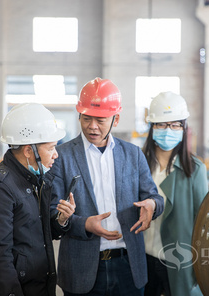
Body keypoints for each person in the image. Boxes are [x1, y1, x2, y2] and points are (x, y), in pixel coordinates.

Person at [49, 77, 164, 296]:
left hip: (128, 266)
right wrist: (84, 224)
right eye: (86, 118)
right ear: (79, 115)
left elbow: (154, 198)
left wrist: (151, 204)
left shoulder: (133, 154)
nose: (92, 126)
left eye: (101, 120)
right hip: (81, 269)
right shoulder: (61, 157)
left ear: (116, 119)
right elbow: (52, 214)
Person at [0, 103, 76, 296]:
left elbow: (38, 234)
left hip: (39, 287)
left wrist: (60, 220)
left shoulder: (35, 180)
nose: (56, 154)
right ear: (29, 151)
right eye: (51, 148)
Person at [142, 92, 208, 296]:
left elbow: (202, 221)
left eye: (175, 125)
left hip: (177, 259)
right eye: (161, 124)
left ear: (183, 128)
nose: (168, 130)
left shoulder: (195, 170)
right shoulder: (139, 164)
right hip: (143, 256)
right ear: (152, 127)